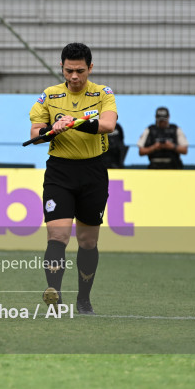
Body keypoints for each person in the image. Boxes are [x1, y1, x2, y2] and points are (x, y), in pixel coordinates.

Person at [29, 43, 118, 316]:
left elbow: (108, 125)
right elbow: (35, 134)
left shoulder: (103, 93)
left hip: (93, 171)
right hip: (60, 172)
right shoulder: (49, 96)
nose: (74, 76)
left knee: (88, 241)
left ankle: (84, 299)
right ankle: (54, 296)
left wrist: (75, 121)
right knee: (57, 235)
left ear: (90, 68)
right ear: (62, 68)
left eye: (80, 71)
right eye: (69, 71)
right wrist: (51, 130)